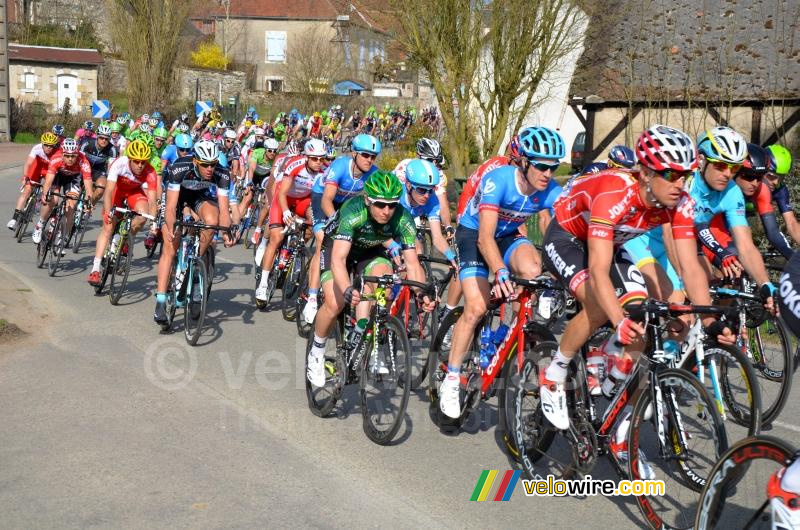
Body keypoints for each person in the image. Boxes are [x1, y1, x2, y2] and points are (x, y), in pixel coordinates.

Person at [538, 125, 737, 477]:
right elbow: (598, 270)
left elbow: (690, 265)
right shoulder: (615, 192)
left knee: (644, 318)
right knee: (599, 305)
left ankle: (617, 419)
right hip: (568, 236)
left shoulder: (680, 203)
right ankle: (554, 373)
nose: (680, 183)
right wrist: (617, 321)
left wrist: (710, 321)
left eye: (686, 175)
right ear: (645, 173)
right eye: (671, 174)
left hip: (611, 243)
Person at [438, 126, 564, 419]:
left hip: (507, 235)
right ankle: (452, 378)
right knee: (477, 307)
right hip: (474, 234)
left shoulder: (550, 189)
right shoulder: (499, 180)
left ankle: (509, 332)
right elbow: (484, 238)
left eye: (553, 167)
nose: (548, 173)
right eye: (542, 166)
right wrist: (500, 272)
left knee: (533, 270)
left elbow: (560, 228)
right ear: (524, 163)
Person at [306, 171, 433, 387]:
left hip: (369, 251)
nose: (386, 211)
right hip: (337, 248)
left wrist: (420, 293)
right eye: (380, 205)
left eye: (392, 205)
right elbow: (339, 259)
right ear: (368, 200)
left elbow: (412, 263)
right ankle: (316, 351)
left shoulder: (403, 218)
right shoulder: (353, 212)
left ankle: (370, 339)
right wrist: (347, 288)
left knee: (385, 280)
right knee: (336, 302)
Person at [302, 134, 381, 324]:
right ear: (354, 153)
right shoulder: (340, 166)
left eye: (373, 156)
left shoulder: (373, 173)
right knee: (322, 239)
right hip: (323, 200)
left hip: (346, 205)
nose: (369, 160)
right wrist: (336, 223)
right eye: (365, 155)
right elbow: (327, 200)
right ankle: (312, 297)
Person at [153, 140, 234, 324]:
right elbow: (171, 207)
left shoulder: (222, 173)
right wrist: (171, 228)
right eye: (205, 165)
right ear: (196, 161)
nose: (210, 169)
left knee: (213, 221)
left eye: (213, 164)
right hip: (178, 196)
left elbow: (223, 210)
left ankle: (196, 266)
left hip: (200, 197)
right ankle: (160, 301)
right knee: (170, 245)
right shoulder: (180, 167)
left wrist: (227, 231)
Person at [254, 139, 326, 308]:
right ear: (307, 157)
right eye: (315, 159)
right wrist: (286, 211)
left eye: (321, 159)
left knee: (312, 225)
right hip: (284, 198)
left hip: (304, 201)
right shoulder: (295, 164)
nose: (318, 162)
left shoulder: (324, 172)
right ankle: (263, 283)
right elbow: (282, 192)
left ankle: (297, 251)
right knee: (277, 237)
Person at [87, 140, 158, 285]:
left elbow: (152, 201)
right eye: (137, 161)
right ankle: (95, 269)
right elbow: (109, 191)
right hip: (117, 191)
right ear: (130, 159)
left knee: (142, 216)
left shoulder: (150, 172)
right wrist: (109, 212)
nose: (140, 165)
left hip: (134, 192)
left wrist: (154, 223)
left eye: (143, 162)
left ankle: (125, 238)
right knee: (108, 227)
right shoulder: (120, 163)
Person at [35, 138, 94, 247]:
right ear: (62, 154)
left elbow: (88, 183)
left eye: (73, 156)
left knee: (71, 206)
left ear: (78, 154)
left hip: (73, 179)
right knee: (53, 199)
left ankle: (64, 236)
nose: (70, 159)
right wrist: (45, 193)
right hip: (58, 176)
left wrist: (89, 199)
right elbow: (48, 181)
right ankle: (40, 224)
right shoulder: (56, 158)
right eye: (67, 156)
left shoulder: (83, 161)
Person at [7, 132, 60, 231]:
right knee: (27, 190)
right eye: (46, 145)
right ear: (42, 144)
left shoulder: (57, 152)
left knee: (51, 191)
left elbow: (55, 172)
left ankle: (52, 215)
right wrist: (25, 177)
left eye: (51, 146)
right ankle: (14, 219)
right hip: (37, 167)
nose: (48, 147)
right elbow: (28, 163)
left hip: (49, 170)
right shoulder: (37, 148)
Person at [79, 123, 119, 208]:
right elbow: (78, 160)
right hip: (84, 166)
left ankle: (88, 206)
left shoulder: (112, 149)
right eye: (101, 138)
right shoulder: (87, 143)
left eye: (106, 139)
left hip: (99, 169)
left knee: (101, 188)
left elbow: (111, 168)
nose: (104, 140)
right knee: (77, 189)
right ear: (97, 136)